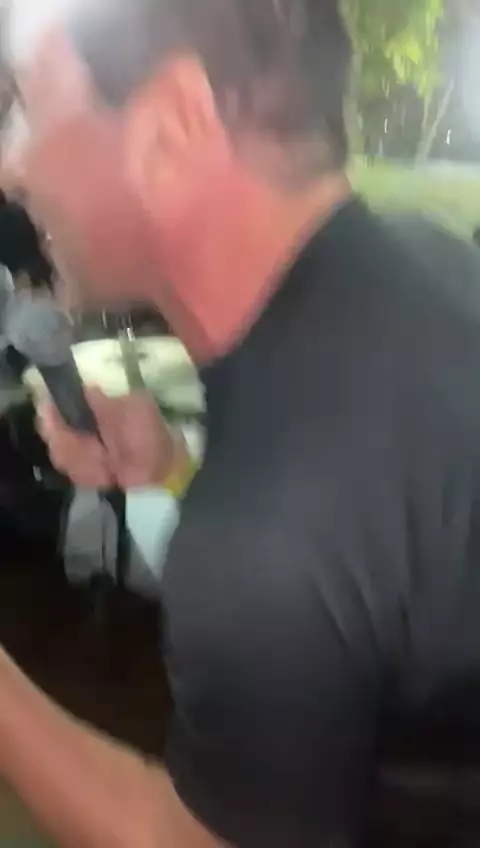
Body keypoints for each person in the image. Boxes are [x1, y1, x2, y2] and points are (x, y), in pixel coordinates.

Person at [3, 1, 480, 846]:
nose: (12, 169)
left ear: (174, 127)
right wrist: (168, 467)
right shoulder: (425, 255)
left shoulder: (272, 529)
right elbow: (372, 565)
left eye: (30, 111)